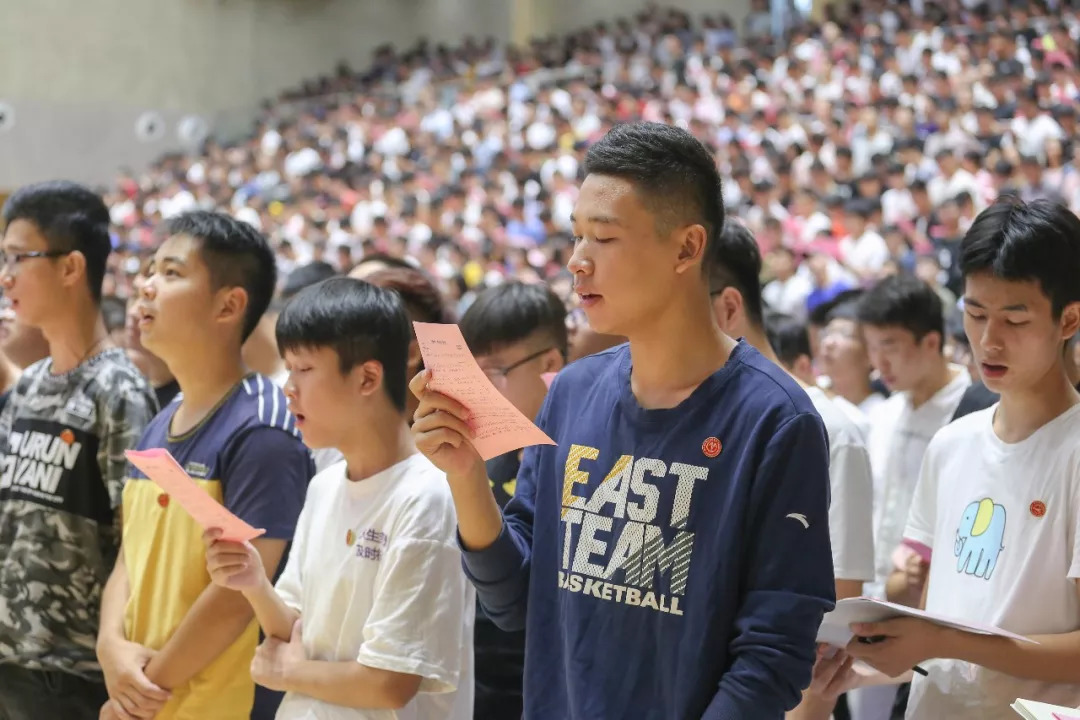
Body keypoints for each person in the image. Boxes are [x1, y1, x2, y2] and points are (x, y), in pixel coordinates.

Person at [410, 122, 835, 718]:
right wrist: (464, 474)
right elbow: (519, 604)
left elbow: (772, 654)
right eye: (577, 236)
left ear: (687, 248)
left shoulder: (776, 421)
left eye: (604, 239)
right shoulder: (572, 393)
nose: (578, 263)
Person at [847, 199, 1080, 719]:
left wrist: (938, 640)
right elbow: (941, 617)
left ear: (1069, 318)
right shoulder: (953, 444)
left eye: (1014, 319)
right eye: (975, 315)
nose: (988, 341)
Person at [204, 277, 474, 720]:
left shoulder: (427, 496)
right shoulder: (324, 483)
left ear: (367, 376)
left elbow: (390, 682)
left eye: (304, 369)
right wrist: (253, 583)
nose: (288, 387)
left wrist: (289, 673)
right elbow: (293, 628)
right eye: (287, 368)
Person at [96, 211, 312, 720]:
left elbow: (239, 594)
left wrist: (142, 693)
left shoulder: (263, 427)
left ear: (229, 304)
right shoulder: (161, 420)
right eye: (148, 270)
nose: (146, 286)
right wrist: (110, 647)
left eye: (171, 273)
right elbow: (131, 555)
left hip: (213, 706)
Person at [0, 181, 158, 720]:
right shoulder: (27, 385)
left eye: (20, 258)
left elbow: (138, 541)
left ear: (71, 268)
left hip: (69, 678)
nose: (6, 276)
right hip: (9, 662)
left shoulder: (120, 392)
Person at [707, 220, 874, 720]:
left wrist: (805, 711)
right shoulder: (698, 419)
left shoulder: (830, 425)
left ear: (727, 306)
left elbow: (837, 607)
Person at [459, 281, 568, 720]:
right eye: (474, 374)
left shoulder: (582, 451)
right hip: (477, 679)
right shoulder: (479, 451)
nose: (481, 391)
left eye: (495, 374)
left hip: (546, 685)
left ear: (550, 362)